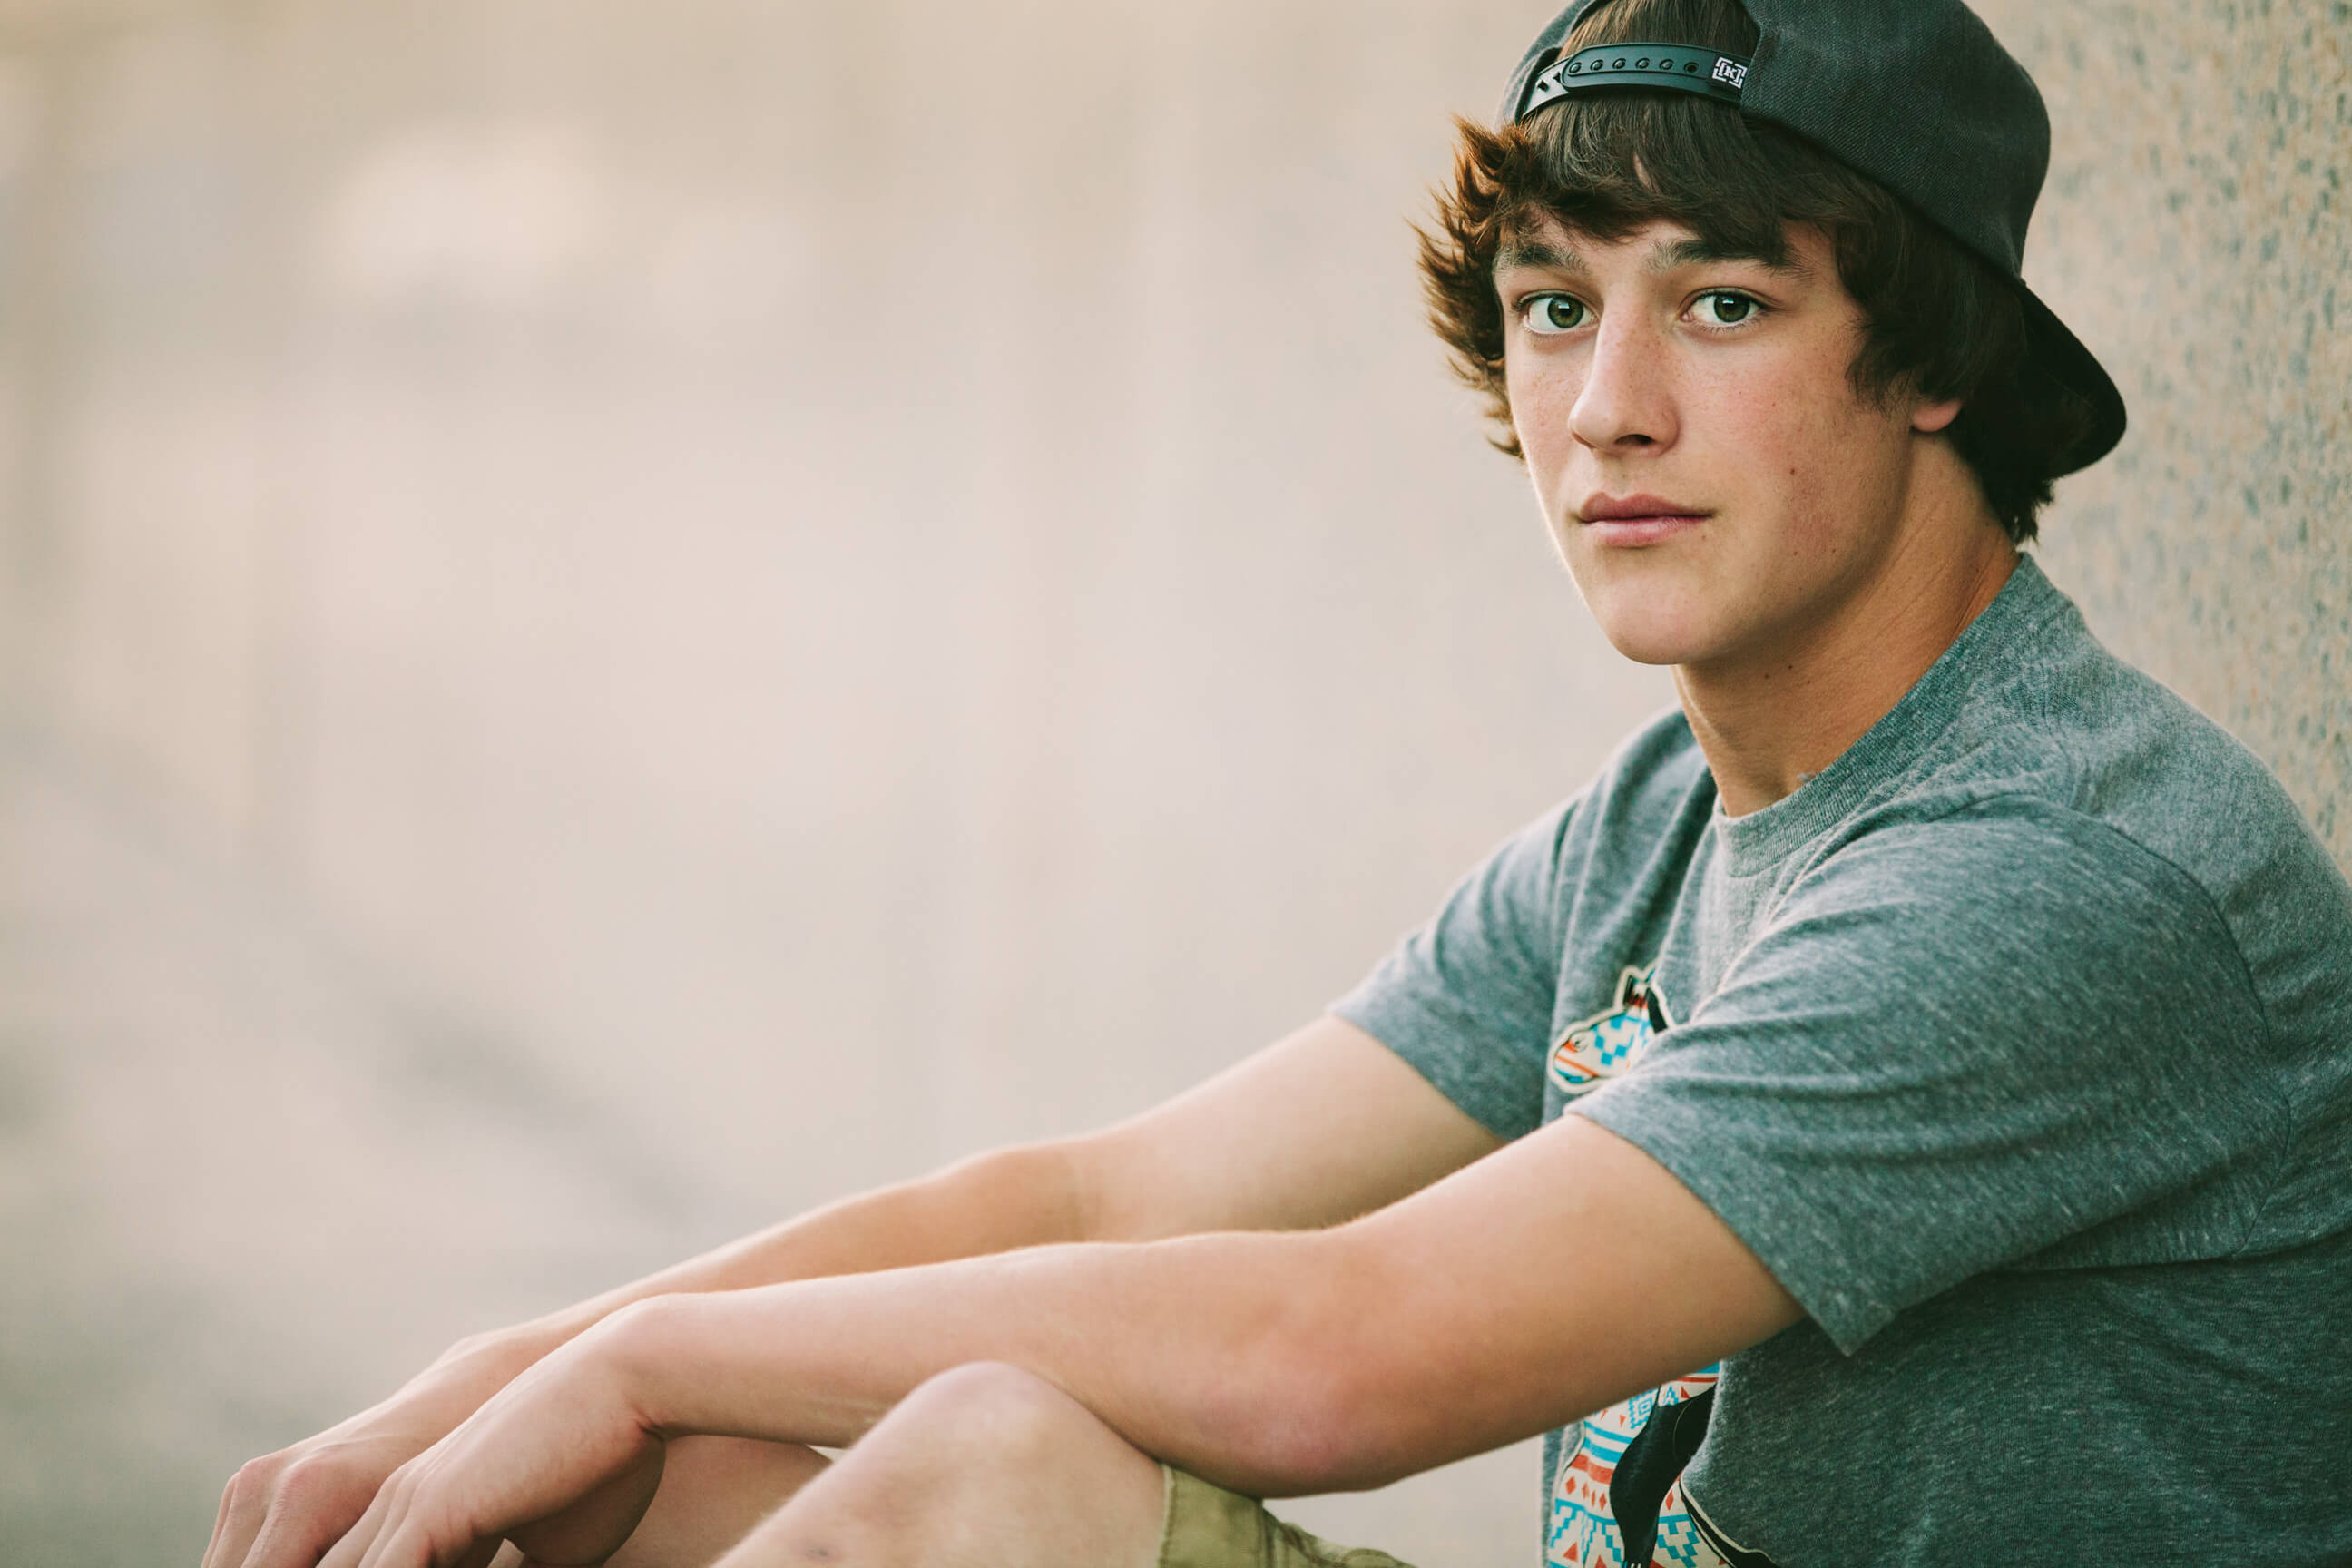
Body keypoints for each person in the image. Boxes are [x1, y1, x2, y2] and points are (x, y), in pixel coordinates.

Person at [201, 0, 2352, 1564]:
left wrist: (654, 1355)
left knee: (897, 1458)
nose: (1601, 411)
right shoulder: (1660, 823)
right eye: (1545, 305)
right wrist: (518, 1373)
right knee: (703, 1479)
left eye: (1718, 304)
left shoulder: (2063, 867)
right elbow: (1101, 1204)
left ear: (1939, 360)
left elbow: (1350, 1356)